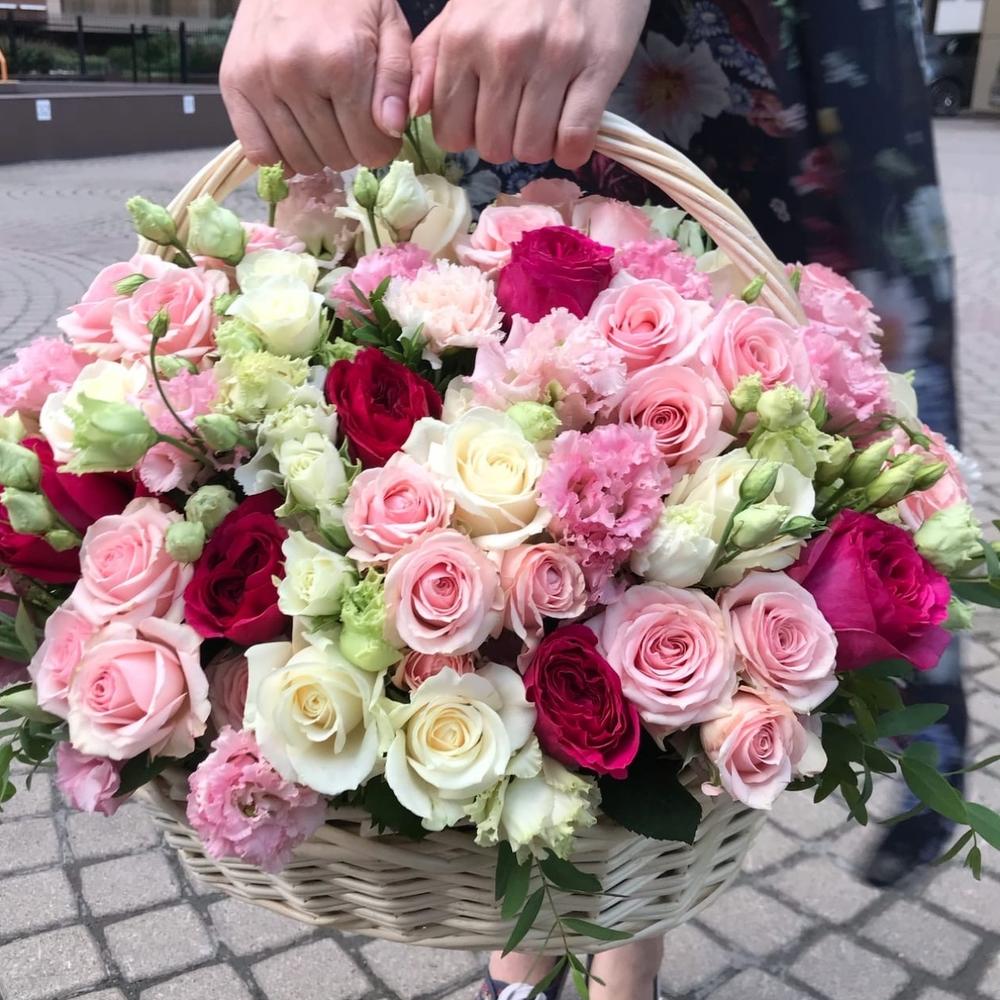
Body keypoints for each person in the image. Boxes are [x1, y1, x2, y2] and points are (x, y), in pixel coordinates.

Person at [220, 1, 969, 996]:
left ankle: (620, 932)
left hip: (704, 49)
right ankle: (538, 921)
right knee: (498, 329)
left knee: (715, 423)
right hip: (481, 49)